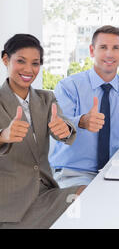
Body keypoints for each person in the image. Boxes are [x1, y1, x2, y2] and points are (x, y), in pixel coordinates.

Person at [49, 25, 119, 187]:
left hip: (113, 172)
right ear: (92, 50)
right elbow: (60, 127)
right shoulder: (69, 86)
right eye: (103, 47)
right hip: (72, 171)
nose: (109, 53)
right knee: (84, 205)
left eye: (115, 48)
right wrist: (82, 121)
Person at [0, 34, 84, 229]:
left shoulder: (47, 99)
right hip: (10, 202)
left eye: (35, 63)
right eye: (21, 61)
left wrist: (63, 129)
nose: (29, 69)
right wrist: (4, 136)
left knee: (86, 194)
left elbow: (61, 125)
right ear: (6, 59)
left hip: (46, 193)